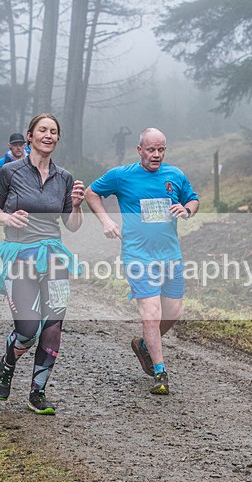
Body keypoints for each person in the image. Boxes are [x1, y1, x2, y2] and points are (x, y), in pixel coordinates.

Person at [0, 114, 85, 415]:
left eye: (54, 132)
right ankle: (9, 361)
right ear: (30, 136)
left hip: (53, 256)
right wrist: (7, 218)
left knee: (53, 325)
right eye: (43, 130)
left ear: (58, 139)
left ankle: (38, 392)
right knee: (28, 329)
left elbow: (71, 226)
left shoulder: (65, 178)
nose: (48, 135)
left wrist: (77, 204)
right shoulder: (10, 172)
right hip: (19, 253)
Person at [84, 128, 199, 395]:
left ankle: (145, 345)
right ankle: (160, 373)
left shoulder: (175, 175)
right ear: (140, 150)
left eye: (161, 150)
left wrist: (187, 210)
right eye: (151, 150)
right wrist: (106, 220)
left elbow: (192, 199)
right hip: (137, 255)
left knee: (174, 313)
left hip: (170, 255)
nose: (156, 155)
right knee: (151, 313)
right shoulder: (121, 175)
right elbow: (91, 193)